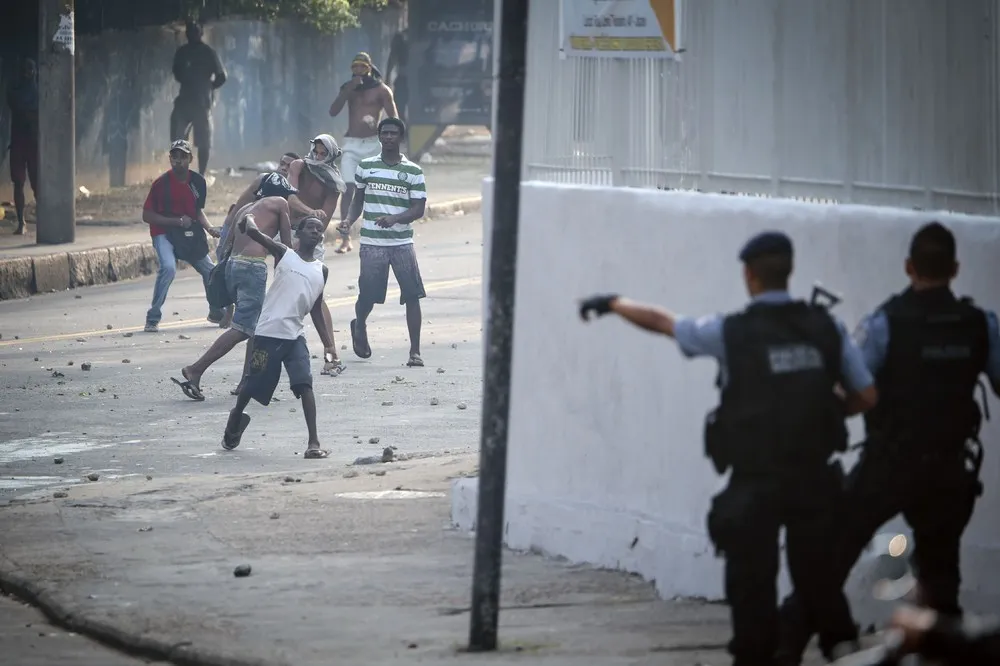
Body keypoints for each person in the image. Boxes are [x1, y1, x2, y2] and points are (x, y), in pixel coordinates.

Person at [579, 231, 879, 666]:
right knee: (819, 581)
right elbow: (867, 395)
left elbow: (665, 323)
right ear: (788, 272)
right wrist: (827, 416)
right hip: (814, 478)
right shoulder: (826, 328)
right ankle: (842, 649)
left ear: (749, 276)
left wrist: (613, 303)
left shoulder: (731, 332)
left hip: (756, 480)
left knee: (751, 585)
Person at [776, 221, 1000, 665]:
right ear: (955, 268)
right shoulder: (980, 325)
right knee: (940, 577)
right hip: (948, 471)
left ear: (908, 266)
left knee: (831, 556)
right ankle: (945, 653)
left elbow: (852, 392)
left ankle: (782, 649)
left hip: (889, 464)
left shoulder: (884, 324)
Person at [221, 214, 337, 460]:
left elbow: (316, 308)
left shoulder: (321, 270)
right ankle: (236, 416)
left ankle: (313, 442)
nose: (316, 232)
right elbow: (256, 234)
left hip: (295, 336)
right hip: (269, 333)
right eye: (311, 228)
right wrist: (250, 219)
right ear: (299, 234)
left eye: (320, 230)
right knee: (252, 384)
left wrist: (329, 345)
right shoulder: (285, 254)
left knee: (305, 384)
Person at [172, 195, 293, 401]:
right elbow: (286, 249)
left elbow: (224, 246)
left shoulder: (244, 207)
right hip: (253, 266)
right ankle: (196, 369)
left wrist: (229, 305)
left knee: (254, 326)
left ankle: (247, 381)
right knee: (243, 329)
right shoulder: (281, 203)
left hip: (234, 265)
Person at [341, 117, 427, 368]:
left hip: (402, 243)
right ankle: (360, 325)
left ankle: (415, 351)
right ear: (379, 137)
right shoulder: (365, 166)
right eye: (384, 133)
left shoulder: (413, 171)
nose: (389, 137)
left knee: (412, 295)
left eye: (393, 133)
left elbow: (418, 209)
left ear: (401, 137)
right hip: (372, 243)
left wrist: (395, 218)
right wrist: (348, 220)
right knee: (369, 294)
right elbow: (357, 200)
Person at [141, 139, 222, 333]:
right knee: (168, 268)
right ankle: (153, 317)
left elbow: (197, 211)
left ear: (190, 159)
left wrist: (210, 229)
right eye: (174, 156)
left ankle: (215, 311)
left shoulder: (197, 182)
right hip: (164, 233)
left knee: (210, 271)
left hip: (188, 234)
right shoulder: (161, 184)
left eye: (183, 157)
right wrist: (176, 222)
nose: (178, 160)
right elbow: (147, 215)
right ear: (170, 159)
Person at [328, 52, 398, 255]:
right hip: (351, 145)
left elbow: (395, 119)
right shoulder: (349, 89)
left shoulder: (381, 90)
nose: (358, 71)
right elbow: (333, 111)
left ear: (369, 68)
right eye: (355, 67)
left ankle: (383, 231)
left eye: (362, 67)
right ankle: (345, 237)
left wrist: (381, 128)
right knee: (348, 189)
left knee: (376, 190)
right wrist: (348, 89)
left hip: (373, 145)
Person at [170, 21, 227, 175]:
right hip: (185, 101)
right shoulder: (183, 52)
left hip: (202, 102)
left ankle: (201, 173)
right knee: (178, 138)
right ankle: (180, 172)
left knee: (204, 142)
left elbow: (222, 76)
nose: (192, 34)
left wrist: (209, 87)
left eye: (195, 31)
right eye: (190, 31)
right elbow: (177, 72)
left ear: (201, 33)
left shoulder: (208, 52)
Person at [6, 57, 38, 235]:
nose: (28, 73)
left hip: (33, 143)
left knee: (37, 184)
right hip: (19, 142)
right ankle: (21, 222)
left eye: (30, 69)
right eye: (26, 70)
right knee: (18, 182)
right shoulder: (16, 92)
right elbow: (15, 103)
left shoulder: (39, 92)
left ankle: (39, 220)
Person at [386, 29, 409, 125]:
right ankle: (404, 128)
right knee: (399, 108)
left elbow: (392, 57)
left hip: (414, 80)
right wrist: (388, 77)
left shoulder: (402, 36)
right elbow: (393, 57)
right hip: (404, 79)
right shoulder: (401, 36)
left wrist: (388, 77)